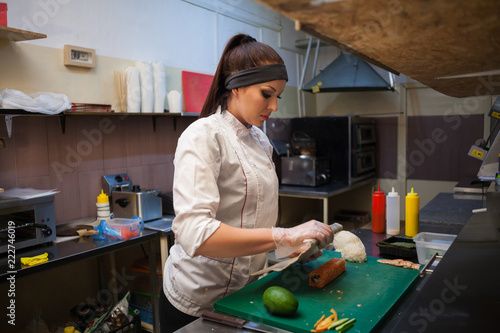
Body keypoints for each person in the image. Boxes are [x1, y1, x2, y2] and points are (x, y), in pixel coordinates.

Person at [160, 34, 334, 332]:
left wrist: (289, 250)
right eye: (267, 94)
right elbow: (195, 234)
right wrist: (285, 235)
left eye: (278, 96)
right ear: (236, 86)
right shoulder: (202, 135)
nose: (274, 106)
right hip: (198, 301)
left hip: (247, 296)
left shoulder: (260, 140)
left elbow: (253, 220)